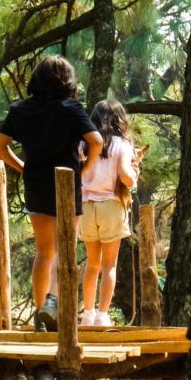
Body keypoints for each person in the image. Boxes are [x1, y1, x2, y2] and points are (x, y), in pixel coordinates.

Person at [0, 56, 102, 330]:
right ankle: (54, 304)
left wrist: (22, 167)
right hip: (67, 184)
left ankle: (41, 312)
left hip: (37, 184)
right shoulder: (71, 108)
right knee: (65, 251)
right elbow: (96, 141)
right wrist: (87, 167)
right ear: (68, 80)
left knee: (44, 252)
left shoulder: (21, 110)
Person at [80, 99, 141, 326]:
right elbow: (125, 176)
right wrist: (134, 176)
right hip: (111, 206)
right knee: (109, 265)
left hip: (86, 207)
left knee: (91, 264)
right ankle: (103, 315)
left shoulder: (84, 143)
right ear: (120, 120)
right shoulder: (122, 144)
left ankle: (87, 313)